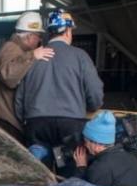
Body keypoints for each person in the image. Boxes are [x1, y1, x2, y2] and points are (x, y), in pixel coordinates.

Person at [14, 9, 104, 174]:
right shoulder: (80, 56)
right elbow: (95, 95)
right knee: (70, 177)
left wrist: (25, 120)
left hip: (37, 124)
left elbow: (19, 99)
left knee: (39, 176)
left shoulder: (34, 57)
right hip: (70, 126)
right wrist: (91, 106)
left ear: (49, 33)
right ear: (69, 31)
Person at [0, 11, 54, 143]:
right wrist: (32, 56)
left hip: (6, 119)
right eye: (38, 36)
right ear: (29, 36)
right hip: (6, 120)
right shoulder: (12, 48)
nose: (40, 40)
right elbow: (7, 75)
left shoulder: (17, 49)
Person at [73, 111, 137, 186]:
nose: (85, 145)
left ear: (96, 144)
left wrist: (81, 168)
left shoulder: (99, 168)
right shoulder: (131, 157)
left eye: (86, 141)